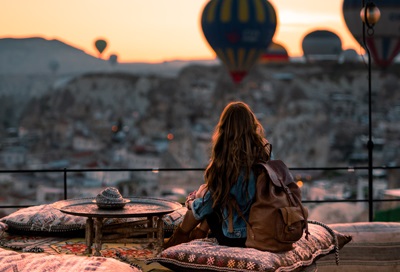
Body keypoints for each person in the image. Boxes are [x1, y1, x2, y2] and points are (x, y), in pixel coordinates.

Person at [164, 101, 272, 249]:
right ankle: (197, 234)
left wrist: (191, 202)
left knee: (207, 199)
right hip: (263, 229)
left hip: (237, 237)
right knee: (211, 194)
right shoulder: (264, 156)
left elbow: (207, 205)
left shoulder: (228, 165)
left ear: (225, 129)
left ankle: (177, 240)